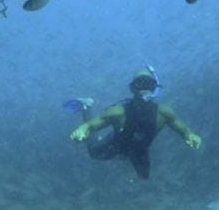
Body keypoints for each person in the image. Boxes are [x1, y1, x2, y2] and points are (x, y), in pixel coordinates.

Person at [68, 67, 202, 180]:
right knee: (94, 153)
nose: (144, 87)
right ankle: (86, 106)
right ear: (133, 89)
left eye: (148, 84)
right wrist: (82, 129)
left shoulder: (165, 113)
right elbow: (91, 125)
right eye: (139, 84)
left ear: (155, 87)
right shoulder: (118, 112)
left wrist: (190, 135)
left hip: (140, 150)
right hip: (116, 145)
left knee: (144, 177)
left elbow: (183, 129)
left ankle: (125, 160)